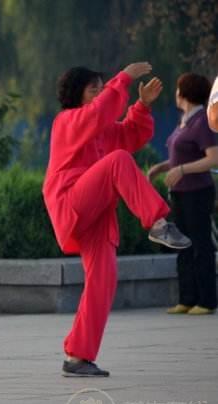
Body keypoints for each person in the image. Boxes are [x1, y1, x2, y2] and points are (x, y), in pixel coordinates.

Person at [43, 62, 191, 377]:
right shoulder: (66, 121)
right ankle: (157, 223)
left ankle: (77, 356)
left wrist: (142, 106)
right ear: (76, 94)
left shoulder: (102, 128)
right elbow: (98, 117)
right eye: (93, 88)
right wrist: (122, 79)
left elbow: (130, 136)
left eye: (101, 88)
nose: (99, 93)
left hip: (96, 214)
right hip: (72, 202)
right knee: (118, 161)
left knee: (104, 281)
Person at [148, 73, 218, 315]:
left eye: (178, 88)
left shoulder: (201, 122)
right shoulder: (185, 121)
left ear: (185, 92)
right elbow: (183, 154)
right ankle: (186, 298)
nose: (175, 93)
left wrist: (181, 169)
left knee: (201, 245)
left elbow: (212, 158)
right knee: (182, 245)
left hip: (197, 192)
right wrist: (163, 167)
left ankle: (206, 300)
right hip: (180, 192)